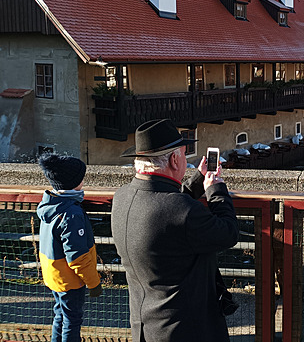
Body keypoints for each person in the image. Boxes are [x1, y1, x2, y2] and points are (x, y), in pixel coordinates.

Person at [111, 119, 239, 342]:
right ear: (174, 159)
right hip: (186, 328)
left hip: (145, 326)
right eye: (183, 154)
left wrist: (198, 180)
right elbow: (228, 233)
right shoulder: (181, 210)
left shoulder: (122, 197)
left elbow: (167, 214)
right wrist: (216, 189)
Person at [36, 153, 102, 342]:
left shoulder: (50, 204)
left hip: (55, 275)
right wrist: (93, 283)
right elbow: (78, 257)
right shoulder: (71, 213)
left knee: (60, 315)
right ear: (74, 182)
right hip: (70, 280)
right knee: (72, 320)